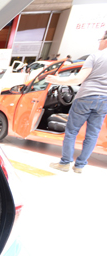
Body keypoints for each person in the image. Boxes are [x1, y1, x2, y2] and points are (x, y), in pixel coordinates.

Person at [46, 31, 107, 173]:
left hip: (86, 97)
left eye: (100, 39)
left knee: (71, 131)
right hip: (104, 101)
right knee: (93, 134)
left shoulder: (95, 56)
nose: (99, 42)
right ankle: (80, 166)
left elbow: (78, 79)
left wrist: (57, 80)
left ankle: (65, 163)